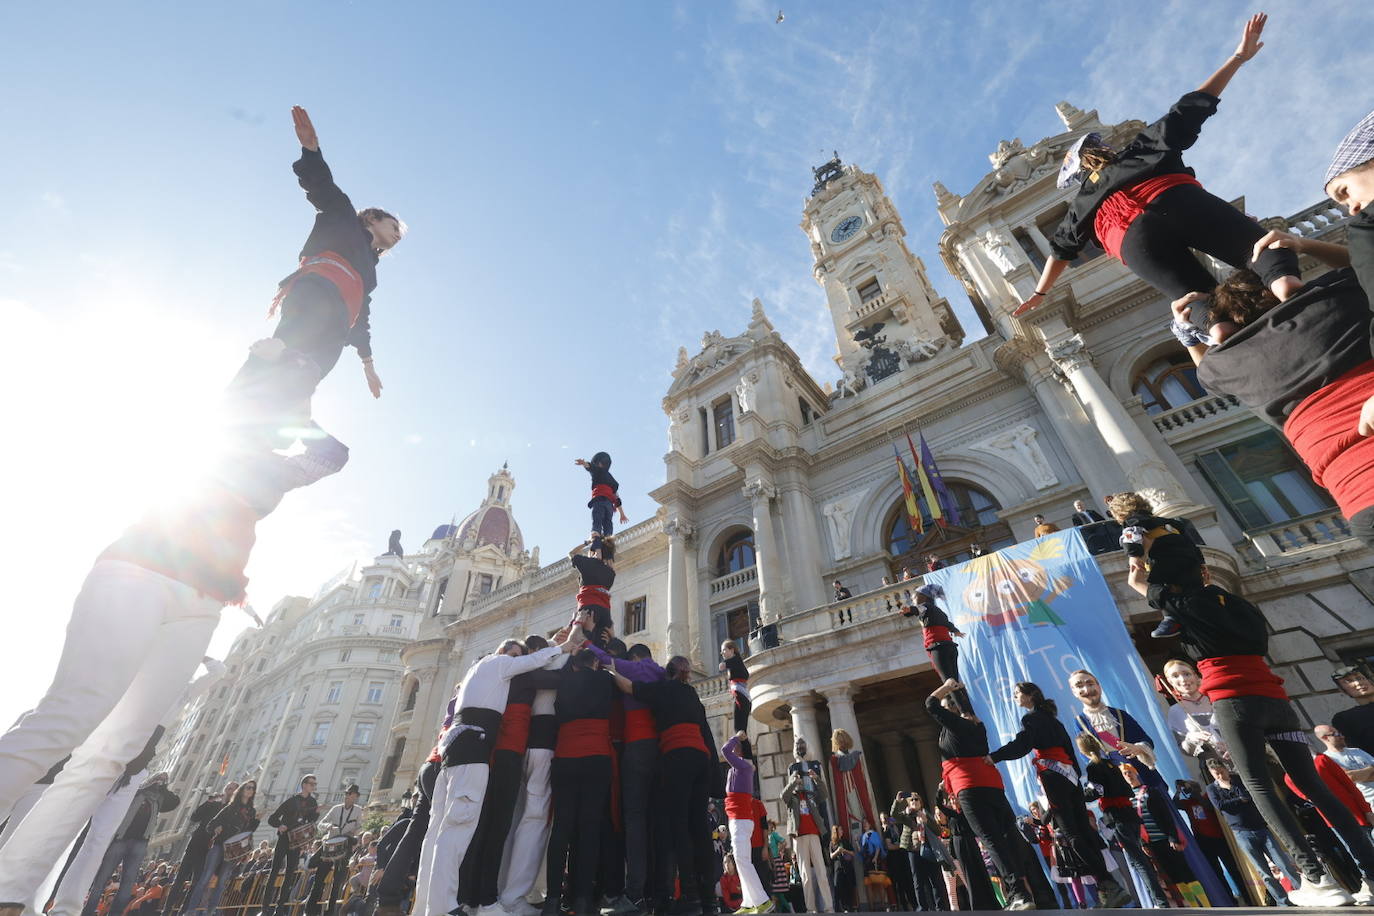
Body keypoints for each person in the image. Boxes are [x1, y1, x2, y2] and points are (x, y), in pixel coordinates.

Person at [0, 449, 343, 916]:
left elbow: (332, 457)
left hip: (201, 601)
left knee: (111, 756)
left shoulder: (275, 474)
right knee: (69, 717)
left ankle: (11, 893)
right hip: (142, 569)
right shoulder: (239, 430)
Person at [1013, 13, 1301, 319]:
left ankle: (1219, 329)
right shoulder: (1139, 149)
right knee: (1257, 248)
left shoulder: (1084, 200)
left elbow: (1060, 251)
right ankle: (1286, 284)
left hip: (1132, 243)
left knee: (1200, 300)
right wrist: (1238, 57)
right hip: (1175, 201)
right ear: (1104, 148)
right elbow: (1189, 109)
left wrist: (1039, 293)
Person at [1126, 552, 1374, 905]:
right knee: (1314, 786)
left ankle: (1317, 879)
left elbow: (1138, 584)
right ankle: (1371, 872)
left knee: (1260, 786)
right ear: (1206, 572)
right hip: (1275, 698)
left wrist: (1138, 565)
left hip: (1235, 702)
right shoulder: (1239, 606)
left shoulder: (1185, 605)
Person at [226, 106, 401, 450]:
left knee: (310, 371)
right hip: (316, 292)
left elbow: (362, 317)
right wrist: (310, 151)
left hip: (338, 323)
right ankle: (251, 381)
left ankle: (269, 435)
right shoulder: (345, 219)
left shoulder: (370, 271)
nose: (397, 234)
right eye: (393, 226)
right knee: (287, 351)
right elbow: (322, 187)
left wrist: (368, 365)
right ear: (373, 220)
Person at [1182, 267, 1374, 545]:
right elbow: (1363, 256)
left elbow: (1207, 371)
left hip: (1360, 502)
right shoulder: (1334, 297)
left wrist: (1190, 335)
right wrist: (1297, 248)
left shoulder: (1226, 365)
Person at [412, 635, 574, 916]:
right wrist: (565, 647)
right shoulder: (499, 664)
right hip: (475, 749)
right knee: (461, 827)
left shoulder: (478, 671)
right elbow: (536, 664)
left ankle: (439, 903)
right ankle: (455, 905)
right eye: (514, 653)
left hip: (458, 750)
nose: (517, 659)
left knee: (444, 830)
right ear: (502, 651)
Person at [988, 681, 1132, 907]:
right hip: (1069, 776)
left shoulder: (1030, 719)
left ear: (1030, 695)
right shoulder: (1053, 720)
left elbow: (1022, 744)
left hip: (1053, 776)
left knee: (1071, 833)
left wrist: (994, 756)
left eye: (1017, 693)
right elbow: (1070, 751)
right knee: (1083, 829)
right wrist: (1075, 778)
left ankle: (1106, 883)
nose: (1015, 697)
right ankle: (1109, 884)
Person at [610, 656, 722, 916]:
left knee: (679, 827)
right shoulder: (692, 694)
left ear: (667, 672)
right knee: (700, 830)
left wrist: (611, 670)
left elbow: (629, 687)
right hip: (700, 760)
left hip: (677, 756)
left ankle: (691, 897)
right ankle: (709, 901)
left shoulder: (662, 689)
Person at [457, 637, 562, 916]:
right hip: (507, 755)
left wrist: (558, 640)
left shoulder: (503, 674)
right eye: (513, 654)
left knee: (489, 828)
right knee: (496, 829)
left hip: (498, 755)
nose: (516, 659)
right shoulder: (522, 675)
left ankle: (471, 897)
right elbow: (555, 677)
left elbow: (537, 658)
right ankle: (486, 898)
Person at [923, 678, 1035, 910]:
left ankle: (1018, 893)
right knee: (1007, 836)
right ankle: (1030, 890)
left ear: (951, 709)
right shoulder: (977, 726)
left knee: (991, 840)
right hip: (991, 783)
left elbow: (930, 703)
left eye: (948, 706)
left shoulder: (956, 725)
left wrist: (947, 685)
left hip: (970, 786)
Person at [543, 648, 616, 916]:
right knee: (589, 829)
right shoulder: (605, 679)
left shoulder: (564, 680)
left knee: (562, 828)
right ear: (595, 663)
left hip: (566, 755)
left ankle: (552, 899)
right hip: (597, 755)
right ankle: (583, 899)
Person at [1076, 733, 1169, 908]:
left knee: (1138, 861)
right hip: (1129, 815)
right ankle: (1157, 899)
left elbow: (1096, 791)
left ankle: (1160, 901)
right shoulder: (1111, 764)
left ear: (1083, 750)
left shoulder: (1094, 767)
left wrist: (1077, 795)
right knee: (1138, 860)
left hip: (1118, 817)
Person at [1105, 491, 1204, 639]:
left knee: (1156, 587)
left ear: (1119, 512)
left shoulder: (1132, 521)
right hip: (1190, 561)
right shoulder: (1169, 522)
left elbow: (1131, 536)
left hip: (1164, 560)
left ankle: (1171, 618)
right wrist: (1202, 563)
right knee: (1191, 588)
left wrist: (1134, 557)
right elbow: (1191, 543)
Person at [80, 773, 179, 916]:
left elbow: (175, 802)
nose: (159, 782)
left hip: (140, 844)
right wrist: (151, 781)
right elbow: (128, 791)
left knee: (127, 884)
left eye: (162, 781)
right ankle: (87, 913)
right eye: (158, 779)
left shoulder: (160, 798)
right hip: (121, 839)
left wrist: (163, 786)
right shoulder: (136, 791)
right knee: (101, 879)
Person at [1204, 758, 1297, 905]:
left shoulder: (1238, 780)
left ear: (1225, 768)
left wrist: (1238, 800)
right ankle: (1283, 902)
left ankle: (1301, 892)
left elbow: (1249, 796)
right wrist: (1240, 800)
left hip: (1260, 827)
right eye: (1216, 774)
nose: (1220, 776)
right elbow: (1220, 805)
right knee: (1264, 872)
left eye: (1221, 772)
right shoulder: (1212, 789)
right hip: (1241, 833)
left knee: (1283, 863)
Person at [162, 782, 237, 916]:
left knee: (197, 883)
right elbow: (194, 817)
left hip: (209, 850)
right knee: (179, 880)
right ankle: (166, 911)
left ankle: (183, 912)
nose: (230, 791)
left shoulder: (233, 812)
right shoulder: (213, 804)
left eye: (233, 789)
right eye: (228, 788)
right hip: (195, 845)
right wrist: (208, 801)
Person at [186, 781, 259, 916]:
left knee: (222, 882)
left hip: (233, 850)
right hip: (220, 845)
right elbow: (211, 824)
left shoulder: (252, 811)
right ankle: (191, 910)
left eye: (253, 789)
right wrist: (216, 828)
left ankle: (211, 911)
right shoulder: (230, 807)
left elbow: (249, 832)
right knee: (205, 878)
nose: (251, 790)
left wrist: (257, 821)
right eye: (248, 788)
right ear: (242, 790)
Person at [722, 733, 774, 914]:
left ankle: (762, 901)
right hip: (738, 820)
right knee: (741, 860)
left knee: (743, 861)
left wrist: (737, 737)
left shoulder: (744, 766)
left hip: (740, 820)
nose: (734, 748)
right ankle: (749, 902)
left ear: (740, 750)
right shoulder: (739, 768)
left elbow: (724, 750)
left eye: (736, 746)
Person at [1173, 778, 1248, 902]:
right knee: (1217, 872)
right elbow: (1175, 804)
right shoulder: (1189, 803)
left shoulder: (1207, 797)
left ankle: (1246, 895)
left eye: (1193, 788)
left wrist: (1194, 791)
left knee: (1233, 869)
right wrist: (1178, 791)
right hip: (1203, 840)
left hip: (1218, 838)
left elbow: (1208, 806)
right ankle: (1229, 899)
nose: (1190, 791)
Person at [259, 774, 319, 916]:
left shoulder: (313, 802)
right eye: (311, 784)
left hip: (297, 842)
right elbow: (272, 819)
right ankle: (265, 906)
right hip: (284, 838)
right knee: (274, 871)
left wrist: (315, 815)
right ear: (304, 784)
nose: (313, 786)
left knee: (290, 874)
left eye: (315, 784)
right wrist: (280, 825)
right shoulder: (292, 800)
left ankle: (280, 908)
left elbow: (310, 822)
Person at [905, 585, 970, 713]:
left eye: (914, 598)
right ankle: (968, 711)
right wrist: (956, 632)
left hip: (938, 647)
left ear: (923, 597)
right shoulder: (940, 611)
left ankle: (964, 712)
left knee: (948, 682)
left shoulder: (926, 607)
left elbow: (916, 609)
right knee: (954, 680)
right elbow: (948, 624)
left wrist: (908, 610)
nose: (913, 600)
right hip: (950, 647)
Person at [780, 769, 833, 914]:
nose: (800, 781)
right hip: (800, 837)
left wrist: (816, 779)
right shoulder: (791, 798)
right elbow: (783, 796)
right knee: (806, 875)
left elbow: (824, 794)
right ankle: (811, 909)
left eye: (800, 779)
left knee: (821, 872)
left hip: (814, 835)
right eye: (797, 779)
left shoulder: (810, 795)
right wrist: (792, 782)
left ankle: (829, 907)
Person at [304, 785, 363, 916]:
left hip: (345, 846)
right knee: (319, 879)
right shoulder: (336, 809)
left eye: (353, 795)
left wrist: (354, 831)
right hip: (330, 846)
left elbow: (360, 826)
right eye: (349, 794)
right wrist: (329, 826)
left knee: (337, 882)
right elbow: (321, 824)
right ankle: (309, 910)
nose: (350, 797)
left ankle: (330, 912)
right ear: (346, 795)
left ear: (356, 797)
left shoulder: (358, 810)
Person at [1160, 658, 1230, 768]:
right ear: (1170, 682)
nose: (1183, 679)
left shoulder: (1216, 698)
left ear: (1196, 676)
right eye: (1175, 676)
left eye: (1187, 674)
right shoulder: (1175, 711)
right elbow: (1183, 749)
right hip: (1213, 769)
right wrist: (1191, 739)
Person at [569, 538, 617, 649]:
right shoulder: (611, 573)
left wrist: (587, 542)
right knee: (602, 645)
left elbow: (571, 553)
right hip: (605, 612)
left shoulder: (587, 563)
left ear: (593, 551)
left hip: (588, 607)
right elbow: (609, 566)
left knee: (580, 644)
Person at [1315, 724, 1374, 809]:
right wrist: (1371, 768)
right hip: (1370, 803)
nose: (1342, 736)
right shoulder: (1328, 760)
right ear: (1325, 738)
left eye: (1340, 733)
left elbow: (1354, 776)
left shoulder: (1356, 750)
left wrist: (1360, 774)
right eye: (1336, 734)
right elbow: (1350, 777)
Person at [575, 452, 627, 539]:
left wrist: (584, 463)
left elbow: (591, 467)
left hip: (600, 500)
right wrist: (622, 514)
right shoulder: (612, 480)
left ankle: (596, 532)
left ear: (598, 463)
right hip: (609, 505)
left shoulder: (598, 471)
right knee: (608, 522)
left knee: (598, 516)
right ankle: (608, 537)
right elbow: (617, 498)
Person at [1333, 666, 1374, 756]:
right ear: (1342, 690)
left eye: (1360, 678)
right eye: (1348, 681)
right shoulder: (1343, 719)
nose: (1358, 683)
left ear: (1370, 681)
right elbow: (1357, 752)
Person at [719, 642, 752, 735]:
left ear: (732, 650)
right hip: (740, 696)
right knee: (739, 728)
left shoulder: (736, 660)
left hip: (741, 696)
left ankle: (741, 743)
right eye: (721, 651)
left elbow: (722, 666)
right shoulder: (736, 662)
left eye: (724, 650)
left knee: (740, 727)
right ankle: (741, 744)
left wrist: (724, 664)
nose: (722, 653)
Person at [827, 825, 856, 912]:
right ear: (835, 831)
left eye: (842, 829)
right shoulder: (832, 843)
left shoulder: (846, 841)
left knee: (849, 887)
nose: (842, 831)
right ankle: (838, 908)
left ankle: (849, 907)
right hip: (838, 868)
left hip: (847, 867)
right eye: (840, 830)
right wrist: (838, 851)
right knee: (838, 887)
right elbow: (831, 856)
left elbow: (853, 853)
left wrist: (845, 851)